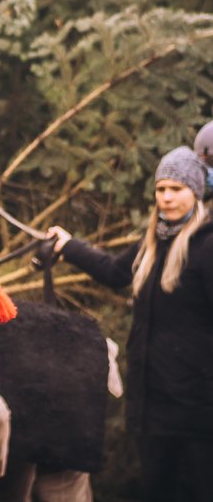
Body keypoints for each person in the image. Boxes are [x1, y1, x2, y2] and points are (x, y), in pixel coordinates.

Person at [47, 146, 213, 502]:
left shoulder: (207, 247)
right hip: (152, 407)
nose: (166, 198)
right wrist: (68, 246)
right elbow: (114, 271)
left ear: (196, 193)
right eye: (161, 189)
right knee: (157, 490)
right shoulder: (153, 244)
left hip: (199, 413)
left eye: (176, 189)